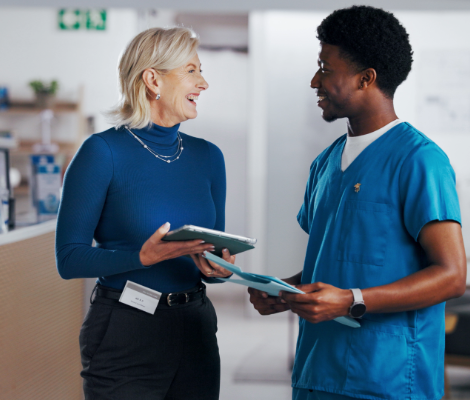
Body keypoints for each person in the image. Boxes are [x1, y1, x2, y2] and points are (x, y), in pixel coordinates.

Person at [248, 6, 467, 400]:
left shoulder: (420, 160)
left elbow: (452, 275)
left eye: (325, 69)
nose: (314, 80)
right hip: (317, 371)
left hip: (389, 378)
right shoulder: (325, 164)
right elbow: (335, 261)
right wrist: (285, 291)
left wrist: (351, 301)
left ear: (367, 78)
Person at [56, 27, 234, 400]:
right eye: (191, 70)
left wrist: (219, 268)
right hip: (126, 328)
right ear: (152, 79)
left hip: (196, 326)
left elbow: (210, 251)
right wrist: (140, 257)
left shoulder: (209, 157)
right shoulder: (101, 152)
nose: (203, 83)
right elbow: (68, 259)